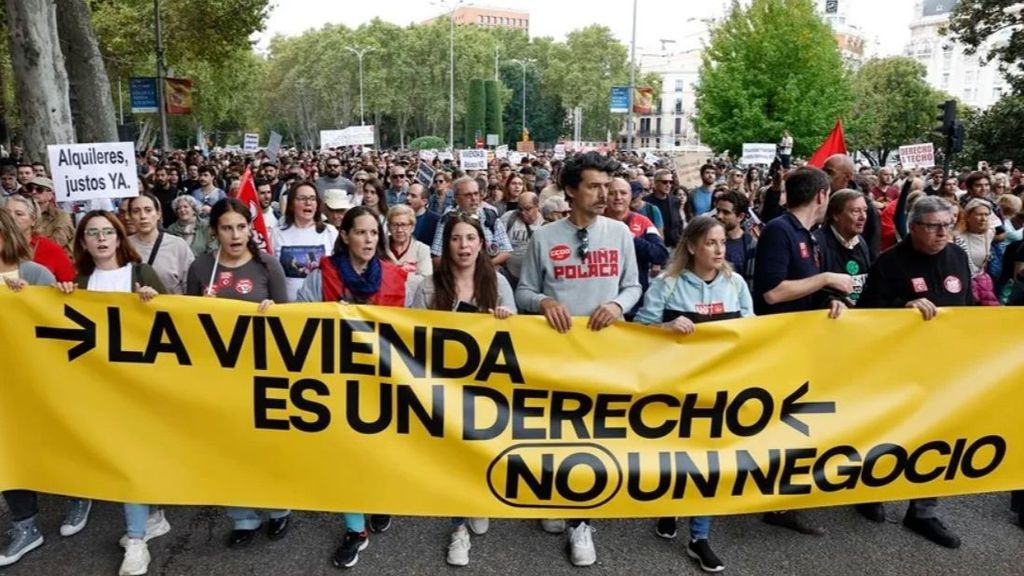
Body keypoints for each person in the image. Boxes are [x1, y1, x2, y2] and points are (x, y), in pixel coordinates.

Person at [515, 151, 641, 567]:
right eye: (593, 186)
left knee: (594, 434)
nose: (604, 194)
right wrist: (544, 300)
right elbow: (523, 291)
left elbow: (634, 285)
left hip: (604, 352)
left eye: (607, 186)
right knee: (556, 431)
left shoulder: (620, 233)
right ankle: (555, 497)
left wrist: (619, 306)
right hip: (557, 354)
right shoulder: (544, 238)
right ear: (571, 190)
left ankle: (581, 520)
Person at [55, 210, 171, 576]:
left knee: (130, 459)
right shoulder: (79, 282)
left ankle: (136, 539)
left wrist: (156, 302)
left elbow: (176, 324)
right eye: (93, 233)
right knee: (126, 458)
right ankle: (152, 517)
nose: (102, 238)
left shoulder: (141, 275)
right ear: (83, 242)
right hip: (99, 389)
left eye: (109, 231)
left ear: (120, 238)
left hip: (141, 387)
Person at [633, 215, 751, 572]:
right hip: (675, 388)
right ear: (692, 247)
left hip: (719, 389)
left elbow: (753, 333)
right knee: (675, 456)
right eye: (711, 243)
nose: (719, 249)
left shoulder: (736, 284)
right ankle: (670, 505)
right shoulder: (667, 284)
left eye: (722, 243)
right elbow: (638, 330)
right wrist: (665, 327)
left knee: (711, 462)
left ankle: (699, 537)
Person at [295, 206, 406, 568]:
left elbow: (415, 331)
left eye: (374, 233)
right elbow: (299, 324)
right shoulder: (321, 276)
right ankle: (355, 530)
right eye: (361, 232)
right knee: (345, 457)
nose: (369, 239)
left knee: (380, 452)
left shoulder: (395, 277)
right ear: (344, 236)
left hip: (382, 381)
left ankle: (381, 499)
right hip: (335, 382)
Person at [858, 196, 969, 549]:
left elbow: (968, 309)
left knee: (937, 435)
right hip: (898, 367)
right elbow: (866, 314)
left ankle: (923, 510)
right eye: (934, 226)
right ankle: (871, 491)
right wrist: (900, 308)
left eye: (948, 225)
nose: (943, 232)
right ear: (914, 226)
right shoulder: (890, 262)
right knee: (889, 431)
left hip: (945, 365)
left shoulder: (958, 257)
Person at [408, 212, 514, 567]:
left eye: (470, 238)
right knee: (454, 454)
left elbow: (519, 338)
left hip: (487, 387)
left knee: (481, 448)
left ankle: (479, 500)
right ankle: (459, 528)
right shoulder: (427, 285)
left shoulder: (497, 283)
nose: (463, 246)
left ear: (481, 243)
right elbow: (411, 335)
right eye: (456, 239)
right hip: (445, 387)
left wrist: (504, 318)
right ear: (447, 244)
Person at [185, 199, 291, 549]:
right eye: (227, 228)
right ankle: (243, 516)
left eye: (241, 227)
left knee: (268, 446)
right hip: (220, 376)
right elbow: (187, 319)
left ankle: (279, 509)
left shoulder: (268, 266)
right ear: (214, 231)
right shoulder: (201, 268)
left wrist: (274, 312)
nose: (235, 234)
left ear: (250, 229)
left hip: (263, 373)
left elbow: (291, 324)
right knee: (231, 447)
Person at [752, 166, 850, 536]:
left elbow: (802, 285)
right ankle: (776, 501)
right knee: (786, 422)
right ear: (822, 196)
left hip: (804, 343)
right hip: (780, 346)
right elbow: (773, 292)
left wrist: (828, 298)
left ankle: (786, 499)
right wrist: (825, 279)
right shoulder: (780, 230)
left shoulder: (808, 233)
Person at [0, 209, 67, 568]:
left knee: (54, 443)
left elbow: (61, 322)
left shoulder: (34, 273)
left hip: (39, 385)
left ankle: (77, 496)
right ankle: (25, 525)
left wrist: (33, 298)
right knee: (7, 453)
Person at [604, 177, 668, 317]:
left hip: (635, 301)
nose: (618, 197)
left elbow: (661, 254)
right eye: (612, 193)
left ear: (630, 195)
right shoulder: (595, 221)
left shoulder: (642, 221)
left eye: (623, 193)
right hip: (602, 301)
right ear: (605, 195)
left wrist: (631, 237)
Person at [270, 182, 339, 301]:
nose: (308, 203)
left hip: (321, 307)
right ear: (291, 204)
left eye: (312, 199)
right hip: (286, 307)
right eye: (302, 198)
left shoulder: (330, 232)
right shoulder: (277, 234)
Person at [430, 177, 512, 269]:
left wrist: (481, 267)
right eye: (468, 195)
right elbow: (437, 257)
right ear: (456, 198)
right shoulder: (447, 219)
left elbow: (506, 251)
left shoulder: (490, 216)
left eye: (476, 193)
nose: (474, 198)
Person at [126, 192, 194, 295]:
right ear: (130, 217)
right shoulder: (122, 246)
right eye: (136, 211)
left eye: (148, 210)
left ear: (158, 214)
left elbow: (191, 287)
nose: (143, 216)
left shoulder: (178, 245)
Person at [814, 189, 872, 305]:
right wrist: (829, 301)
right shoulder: (816, 243)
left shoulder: (860, 242)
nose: (863, 217)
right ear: (835, 215)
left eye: (865, 211)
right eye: (856, 211)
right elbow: (809, 288)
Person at [3, 195, 75, 281]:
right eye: (6, 213)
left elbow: (70, 283)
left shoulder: (51, 249)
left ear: (33, 220)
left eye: (19, 214)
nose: (11, 217)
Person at [954, 198, 999, 305]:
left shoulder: (990, 233)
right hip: (963, 286)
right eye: (979, 214)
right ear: (968, 217)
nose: (983, 218)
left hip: (981, 284)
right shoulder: (958, 236)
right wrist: (955, 234)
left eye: (986, 214)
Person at [498, 191, 544, 288]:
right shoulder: (509, 217)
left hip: (534, 280)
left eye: (527, 209)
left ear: (537, 206)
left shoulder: (545, 225)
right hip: (508, 275)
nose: (523, 213)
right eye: (520, 209)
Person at [24, 177, 74, 256]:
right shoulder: (24, 214)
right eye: (30, 189)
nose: (33, 192)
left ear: (50, 195)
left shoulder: (61, 215)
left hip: (53, 259)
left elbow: (58, 240)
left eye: (39, 189)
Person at [714, 190, 756, 285]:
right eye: (718, 211)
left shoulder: (752, 246)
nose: (719, 216)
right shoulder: (707, 240)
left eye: (726, 212)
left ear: (740, 217)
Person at [384, 204, 432, 282]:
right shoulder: (380, 247)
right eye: (395, 225)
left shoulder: (422, 250)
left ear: (412, 227)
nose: (399, 230)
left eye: (403, 225)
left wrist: (395, 272)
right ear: (388, 227)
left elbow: (425, 281)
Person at [649, 168, 684, 247]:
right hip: (656, 246)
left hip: (675, 246)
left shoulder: (675, 201)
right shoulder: (647, 202)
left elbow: (679, 223)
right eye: (665, 182)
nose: (668, 185)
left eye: (671, 182)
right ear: (656, 183)